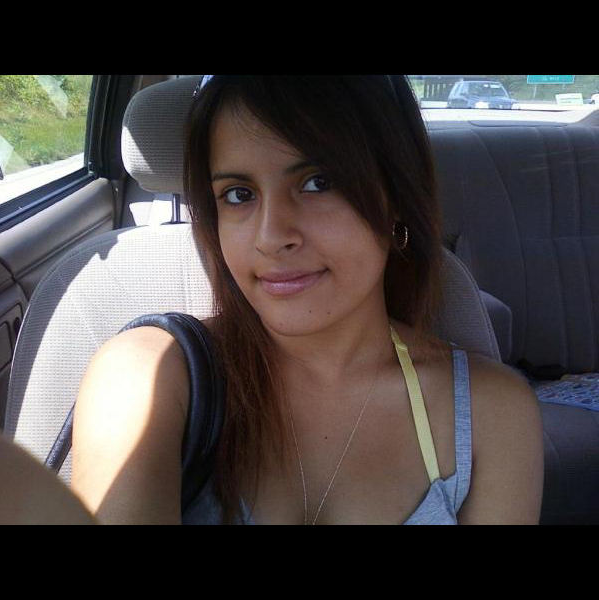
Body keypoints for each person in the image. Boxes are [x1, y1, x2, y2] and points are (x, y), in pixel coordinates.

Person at [70, 75, 544, 525]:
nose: (271, 237)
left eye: (319, 182)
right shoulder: (147, 375)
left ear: (396, 195)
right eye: (238, 194)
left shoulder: (492, 414)